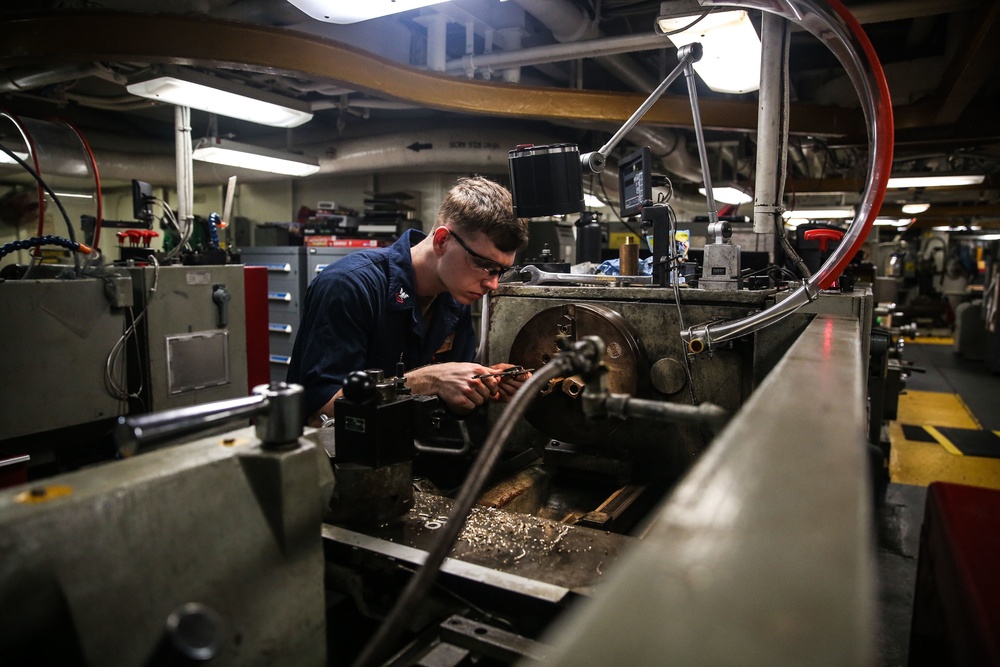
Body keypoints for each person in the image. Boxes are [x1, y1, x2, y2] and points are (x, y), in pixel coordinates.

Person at [288, 176, 531, 427]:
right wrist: (428, 380)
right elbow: (319, 415)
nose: (492, 285)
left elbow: (447, 403)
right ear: (441, 241)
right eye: (484, 265)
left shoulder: (454, 300)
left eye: (500, 271)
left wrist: (479, 389)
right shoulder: (348, 286)